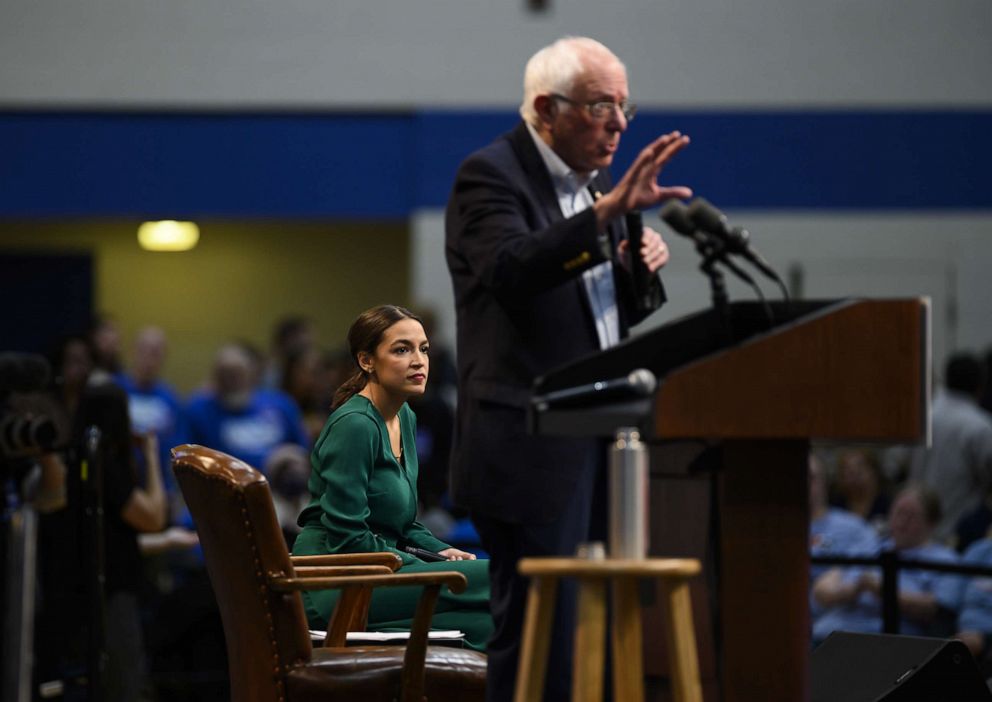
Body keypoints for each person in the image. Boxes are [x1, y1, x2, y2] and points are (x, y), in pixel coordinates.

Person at [444, 36, 690, 700]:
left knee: (598, 638)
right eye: (600, 105)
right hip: (532, 447)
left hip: (604, 440)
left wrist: (639, 270)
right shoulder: (490, 175)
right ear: (546, 109)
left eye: (623, 105)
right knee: (539, 648)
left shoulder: (594, 189)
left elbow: (599, 320)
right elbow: (511, 269)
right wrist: (608, 218)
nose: (617, 123)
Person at [292, 305, 492, 651]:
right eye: (402, 349)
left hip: (381, 571)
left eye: (424, 349)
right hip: (335, 583)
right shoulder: (354, 424)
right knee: (503, 577)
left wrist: (441, 551)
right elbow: (347, 538)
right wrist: (426, 569)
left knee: (491, 624)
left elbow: (404, 525)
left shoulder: (406, 417)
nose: (419, 361)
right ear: (367, 360)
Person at [812, 484, 960, 644]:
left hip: (885, 644)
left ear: (931, 523)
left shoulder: (945, 560)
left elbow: (935, 610)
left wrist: (883, 590)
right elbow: (822, 589)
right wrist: (852, 590)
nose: (902, 522)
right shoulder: (870, 546)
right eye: (898, 513)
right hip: (829, 634)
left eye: (911, 516)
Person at [905, 352, 992, 542]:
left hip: (914, 525)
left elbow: (899, 462)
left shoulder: (922, 413)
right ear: (980, 386)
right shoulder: (980, 425)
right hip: (954, 531)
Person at [186, 343, 310, 472]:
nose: (231, 380)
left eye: (237, 372)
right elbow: (191, 460)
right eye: (224, 373)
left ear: (252, 372)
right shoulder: (199, 410)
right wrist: (268, 461)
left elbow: (302, 450)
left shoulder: (281, 403)